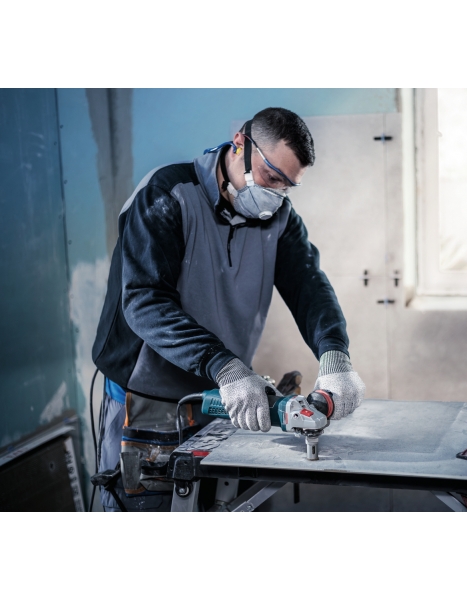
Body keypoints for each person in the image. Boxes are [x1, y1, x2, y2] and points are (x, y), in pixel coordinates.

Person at [92, 107, 365, 511]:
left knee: (221, 505)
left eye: (288, 186)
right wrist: (226, 367)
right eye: (271, 176)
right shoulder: (167, 194)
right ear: (240, 144)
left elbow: (309, 287)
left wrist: (334, 354)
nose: (276, 194)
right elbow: (145, 301)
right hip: (148, 396)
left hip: (226, 389)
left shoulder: (279, 218)